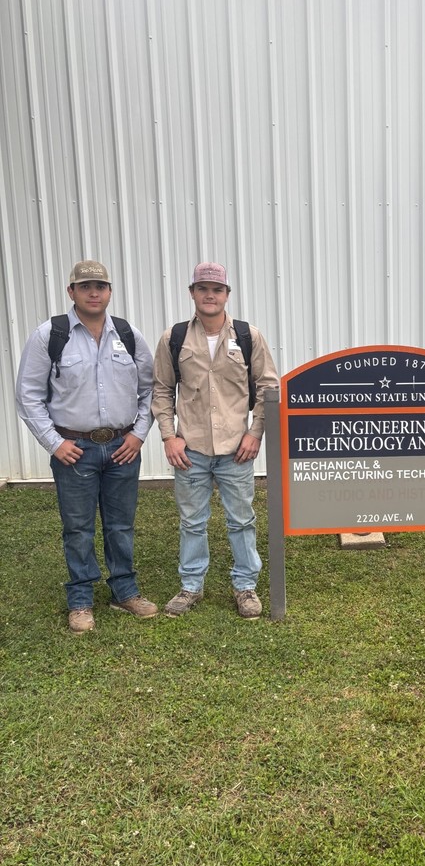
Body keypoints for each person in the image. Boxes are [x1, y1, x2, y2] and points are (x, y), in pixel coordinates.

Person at [15, 260, 157, 633]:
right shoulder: (50, 335)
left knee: (120, 525)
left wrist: (139, 434)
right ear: (71, 291)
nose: (94, 293)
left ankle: (125, 591)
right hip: (74, 450)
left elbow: (151, 390)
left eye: (100, 286)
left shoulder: (127, 334)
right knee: (78, 528)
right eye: (85, 286)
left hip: (122, 448)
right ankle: (80, 599)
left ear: (109, 291)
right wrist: (54, 443)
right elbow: (28, 395)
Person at [152, 263, 279, 620]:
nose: (210, 295)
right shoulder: (174, 338)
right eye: (203, 288)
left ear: (227, 295)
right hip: (190, 450)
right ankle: (191, 586)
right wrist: (169, 436)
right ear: (192, 292)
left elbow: (268, 387)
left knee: (242, 520)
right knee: (192, 522)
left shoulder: (248, 336)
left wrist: (255, 433)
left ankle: (245, 586)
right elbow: (161, 389)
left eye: (217, 289)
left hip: (236, 450)